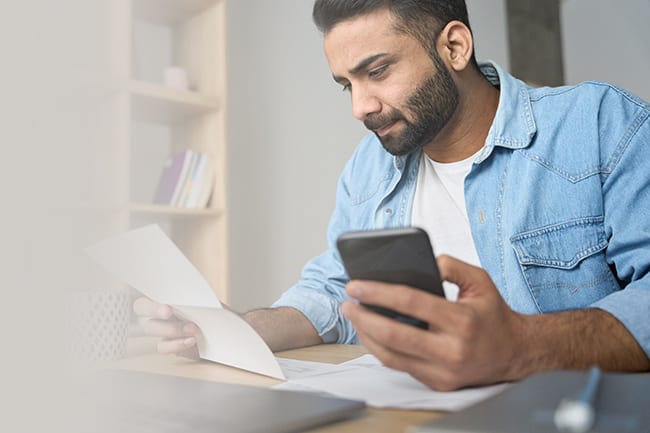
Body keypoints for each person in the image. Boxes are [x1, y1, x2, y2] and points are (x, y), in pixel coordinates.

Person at [134, 0, 650, 391]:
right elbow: (337, 290)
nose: (361, 107)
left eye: (376, 71)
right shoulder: (369, 165)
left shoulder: (600, 124)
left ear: (455, 47)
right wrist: (240, 328)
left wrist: (521, 347)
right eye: (346, 85)